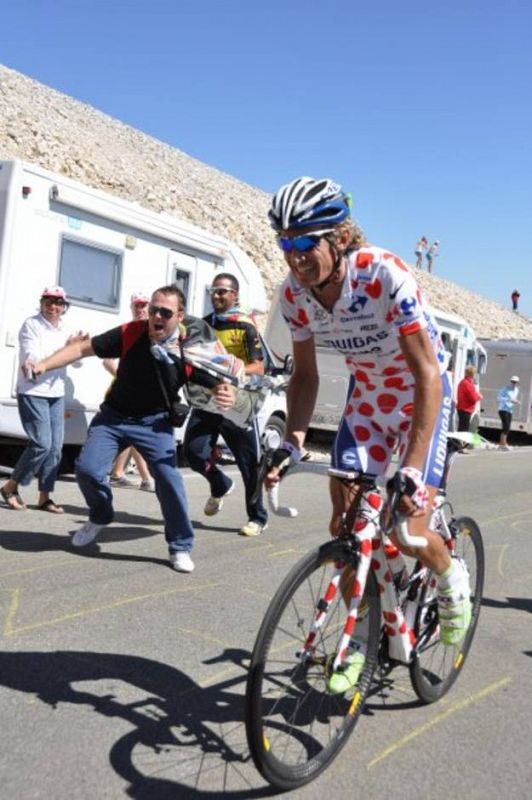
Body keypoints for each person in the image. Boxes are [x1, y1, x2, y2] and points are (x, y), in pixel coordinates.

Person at [264, 176, 471, 693]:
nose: (294, 256)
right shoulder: (294, 295)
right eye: (285, 242)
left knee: (407, 531)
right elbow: (305, 376)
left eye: (304, 241)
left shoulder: (383, 274)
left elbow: (427, 373)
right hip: (369, 405)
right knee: (347, 531)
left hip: (421, 397)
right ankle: (359, 636)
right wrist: (291, 441)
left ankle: (451, 579)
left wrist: (411, 468)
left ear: (340, 236)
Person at [25, 285, 235, 573]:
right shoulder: (132, 332)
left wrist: (224, 391)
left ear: (179, 316)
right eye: (153, 310)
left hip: (154, 423)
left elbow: (218, 380)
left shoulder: (189, 348)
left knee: (169, 480)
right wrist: (43, 365)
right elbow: (82, 348)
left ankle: (180, 546)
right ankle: (101, 515)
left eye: (165, 312)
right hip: (114, 417)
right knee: (87, 470)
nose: (156, 316)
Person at [184, 273, 268, 537]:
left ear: (235, 295)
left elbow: (259, 367)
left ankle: (257, 517)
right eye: (214, 291)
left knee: (249, 463)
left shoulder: (245, 326)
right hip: (207, 399)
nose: (217, 296)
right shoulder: (203, 324)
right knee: (193, 453)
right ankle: (219, 484)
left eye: (222, 291)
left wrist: (231, 370)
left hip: (236, 402)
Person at [1, 286, 82, 512]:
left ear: (64, 307)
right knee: (41, 444)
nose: (53, 307)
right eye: (48, 302)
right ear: (41, 303)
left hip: (56, 393)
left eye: (58, 303)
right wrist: (66, 349)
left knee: (55, 449)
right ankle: (10, 487)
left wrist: (78, 346)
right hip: (32, 390)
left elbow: (76, 361)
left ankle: (44, 497)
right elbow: (33, 356)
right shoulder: (31, 325)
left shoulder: (67, 329)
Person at [104, 292, 155, 492]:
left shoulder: (154, 330)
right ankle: (146, 478)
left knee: (128, 433)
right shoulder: (126, 331)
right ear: (132, 308)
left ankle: (117, 473)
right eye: (137, 306)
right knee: (134, 433)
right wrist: (125, 378)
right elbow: (107, 360)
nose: (140, 309)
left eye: (144, 305)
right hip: (124, 392)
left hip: (143, 394)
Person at [456, 365, 482, 433]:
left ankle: (459, 439)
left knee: (462, 427)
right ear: (472, 374)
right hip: (466, 409)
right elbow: (473, 398)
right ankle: (460, 440)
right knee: (464, 429)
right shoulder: (467, 384)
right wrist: (479, 396)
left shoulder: (463, 382)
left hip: (462, 407)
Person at [497, 376, 520, 450]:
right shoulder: (505, 388)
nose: (514, 383)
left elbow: (514, 399)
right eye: (513, 382)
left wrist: (516, 401)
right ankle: (503, 444)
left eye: (515, 382)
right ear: (510, 381)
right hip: (503, 409)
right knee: (506, 426)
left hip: (510, 410)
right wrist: (509, 400)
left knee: (508, 427)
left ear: (517, 383)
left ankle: (502, 444)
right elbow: (499, 398)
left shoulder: (516, 390)